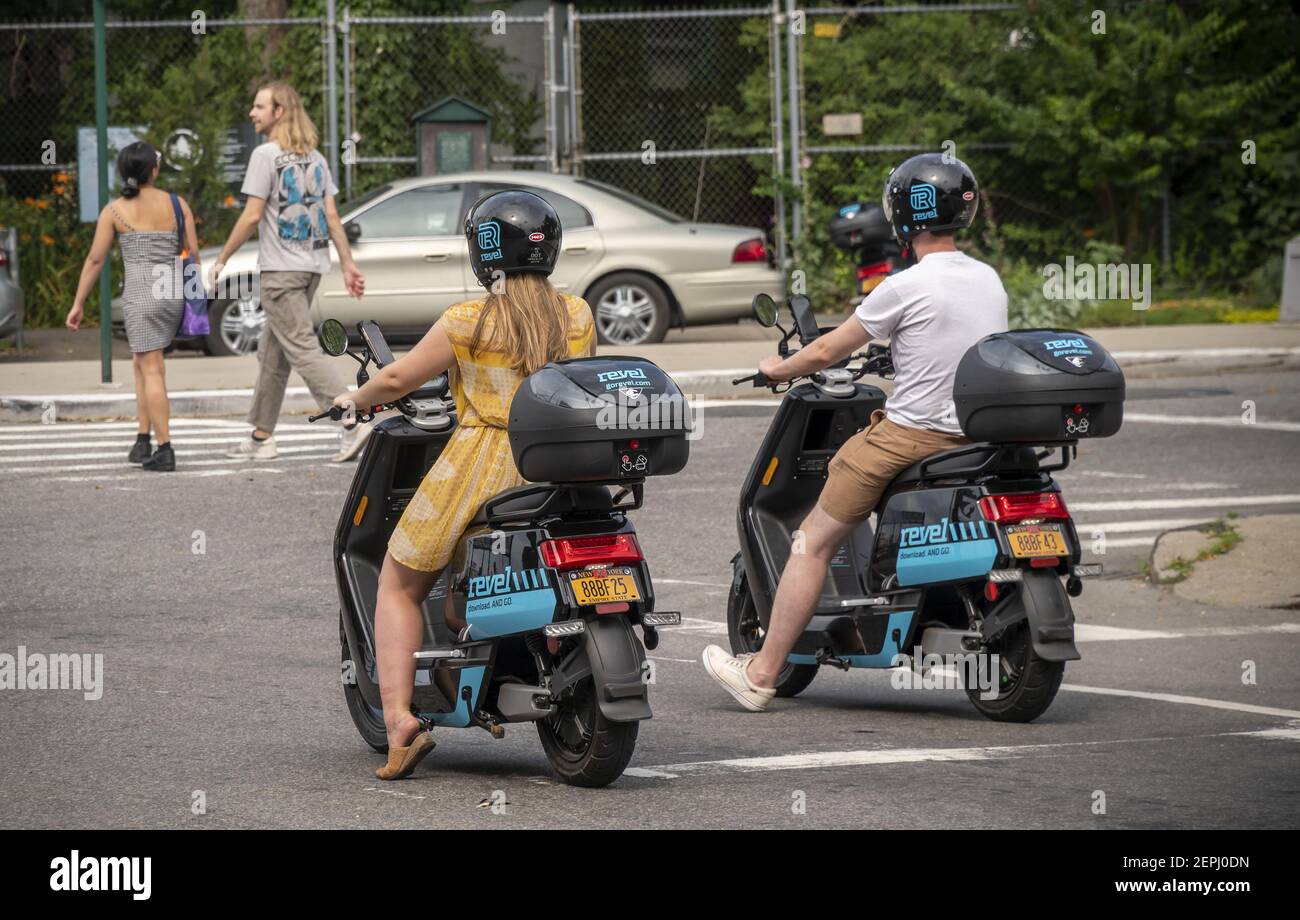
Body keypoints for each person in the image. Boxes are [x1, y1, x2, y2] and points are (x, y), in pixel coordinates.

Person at [702, 153, 1009, 711]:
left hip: (912, 436)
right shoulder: (988, 279)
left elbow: (825, 349)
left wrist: (774, 369)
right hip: (975, 437)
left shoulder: (902, 286)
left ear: (901, 216)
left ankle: (762, 674)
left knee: (811, 541)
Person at [336, 190, 596, 780]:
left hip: (484, 464)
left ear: (484, 255)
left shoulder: (468, 321)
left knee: (400, 583)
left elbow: (399, 376)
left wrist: (353, 397)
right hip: (560, 463)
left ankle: (401, 720)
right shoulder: (577, 314)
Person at [207, 80, 368, 463]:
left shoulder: (265, 155)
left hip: (281, 271)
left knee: (301, 348)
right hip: (311, 267)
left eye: (259, 106)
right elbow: (331, 216)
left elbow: (251, 216)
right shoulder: (315, 157)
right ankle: (262, 437)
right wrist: (346, 263)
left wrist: (222, 259)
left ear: (279, 112)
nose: (252, 112)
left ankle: (351, 420)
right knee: (272, 353)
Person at [66, 141, 199, 472]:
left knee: (150, 367)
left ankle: (165, 448)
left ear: (124, 173)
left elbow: (96, 259)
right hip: (170, 291)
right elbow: (192, 253)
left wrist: (78, 302)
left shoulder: (113, 211)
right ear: (153, 170)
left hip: (141, 295)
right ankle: (143, 440)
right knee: (144, 363)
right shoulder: (176, 203)